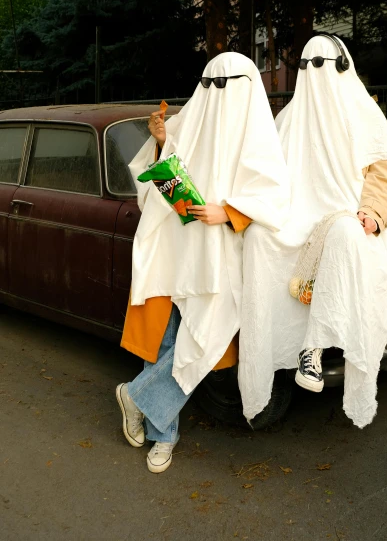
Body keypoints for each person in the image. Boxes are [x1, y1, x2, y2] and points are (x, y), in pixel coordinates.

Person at [116, 52, 290, 472]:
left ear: (246, 87)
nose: (217, 95)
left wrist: (228, 212)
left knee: (203, 340)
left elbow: (273, 196)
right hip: (172, 249)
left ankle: (136, 397)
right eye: (210, 84)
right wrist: (160, 139)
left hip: (218, 256)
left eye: (226, 85)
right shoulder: (187, 122)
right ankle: (165, 437)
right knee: (163, 340)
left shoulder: (259, 136)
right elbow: (154, 178)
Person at [239, 34, 387, 430]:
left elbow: (385, 168)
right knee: (260, 239)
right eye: (307, 64)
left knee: (345, 234)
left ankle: (311, 350)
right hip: (296, 219)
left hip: (347, 216)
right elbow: (269, 174)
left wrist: (373, 213)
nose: (315, 73)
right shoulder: (290, 116)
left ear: (341, 66)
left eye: (323, 63)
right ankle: (262, 352)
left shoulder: (364, 111)